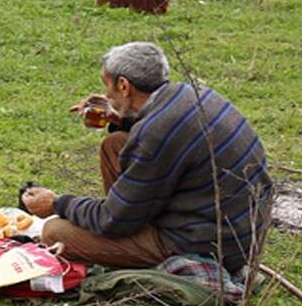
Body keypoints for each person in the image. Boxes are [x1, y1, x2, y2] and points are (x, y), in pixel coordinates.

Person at [21, 42, 273, 271]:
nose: (106, 95)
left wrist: (57, 204)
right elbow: (166, 142)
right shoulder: (189, 94)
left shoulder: (156, 133)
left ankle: (136, 237)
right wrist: (123, 117)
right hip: (238, 227)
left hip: (212, 245)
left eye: (107, 86)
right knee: (115, 144)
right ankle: (133, 223)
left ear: (123, 85)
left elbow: (110, 218)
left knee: (54, 231)